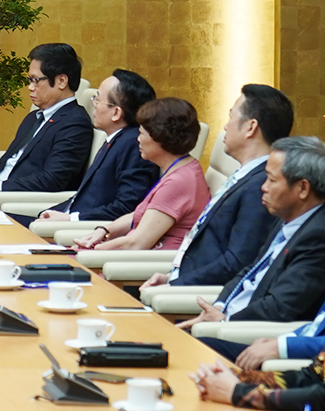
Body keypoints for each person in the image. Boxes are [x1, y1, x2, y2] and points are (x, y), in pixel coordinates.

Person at [139, 84, 291, 294]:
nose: (225, 126)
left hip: (195, 298)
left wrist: (174, 286)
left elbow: (236, 263)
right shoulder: (243, 176)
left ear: (250, 127)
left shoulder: (261, 186)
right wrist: (170, 277)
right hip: (181, 281)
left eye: (231, 117)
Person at [174, 137, 325, 332]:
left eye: (271, 180)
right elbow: (250, 270)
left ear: (302, 188)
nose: (264, 187)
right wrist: (219, 306)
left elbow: (278, 308)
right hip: (225, 320)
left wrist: (224, 322)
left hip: (251, 335)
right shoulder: (286, 218)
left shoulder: (318, 237)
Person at [68, 97, 210, 252]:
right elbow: (140, 215)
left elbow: (136, 244)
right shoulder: (181, 168)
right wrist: (104, 230)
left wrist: (90, 250)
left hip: (145, 263)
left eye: (142, 133)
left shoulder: (179, 182)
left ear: (160, 137)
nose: (138, 139)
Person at [0, 42, 93, 194]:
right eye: (30, 80)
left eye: (36, 80)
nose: (30, 87)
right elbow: (6, 164)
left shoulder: (75, 123)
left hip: (16, 203)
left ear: (61, 81)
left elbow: (52, 180)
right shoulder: (34, 118)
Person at [34, 69, 159, 229]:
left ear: (116, 112)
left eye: (97, 99)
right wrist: (49, 213)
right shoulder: (115, 139)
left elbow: (126, 207)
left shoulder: (134, 145)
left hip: (84, 231)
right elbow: (84, 197)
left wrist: (70, 219)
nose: (93, 104)